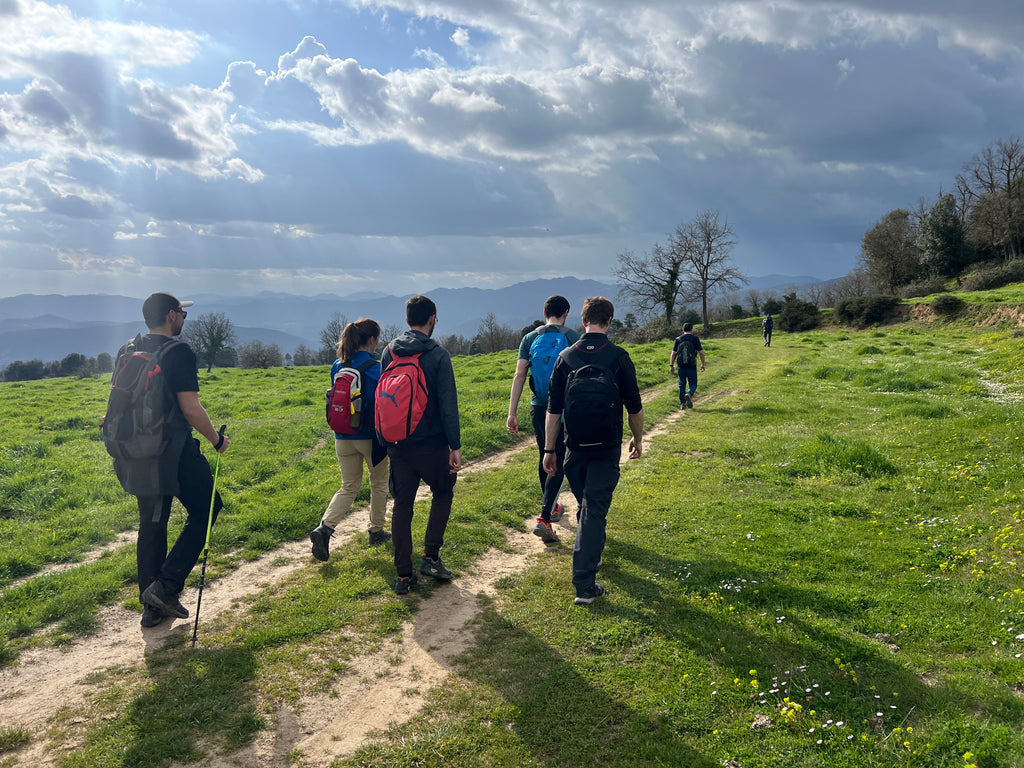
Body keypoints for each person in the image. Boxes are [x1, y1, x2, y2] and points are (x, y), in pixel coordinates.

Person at [111, 292, 230, 628]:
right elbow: (190, 408)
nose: (183, 318)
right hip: (172, 450)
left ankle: (152, 606)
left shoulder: (128, 349)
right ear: (170, 316)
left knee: (152, 522)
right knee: (207, 508)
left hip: (135, 453)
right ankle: (166, 586)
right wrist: (216, 440)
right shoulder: (178, 352)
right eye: (181, 313)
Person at [543, 296, 643, 606]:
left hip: (574, 449)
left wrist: (549, 449)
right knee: (594, 510)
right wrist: (638, 439)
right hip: (606, 446)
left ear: (584, 321)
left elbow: (553, 411)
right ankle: (584, 584)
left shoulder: (565, 358)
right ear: (609, 322)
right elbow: (635, 408)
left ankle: (591, 554)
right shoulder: (618, 357)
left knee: (588, 505)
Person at [379, 295, 461, 594]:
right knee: (443, 491)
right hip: (431, 443)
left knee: (403, 504)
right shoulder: (438, 355)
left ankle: (403, 575)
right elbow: (447, 405)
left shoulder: (388, 352)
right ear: (433, 319)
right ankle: (431, 556)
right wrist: (455, 445)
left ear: (407, 319)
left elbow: (383, 399)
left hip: (397, 442)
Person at [310, 318, 390, 561]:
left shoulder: (337, 365)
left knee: (348, 487)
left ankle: (324, 529)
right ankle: (376, 531)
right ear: (372, 340)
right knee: (378, 484)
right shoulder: (376, 368)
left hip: (342, 436)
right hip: (369, 437)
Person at [506, 295, 581, 543]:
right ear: (566, 312)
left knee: (546, 455)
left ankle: (551, 505)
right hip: (565, 408)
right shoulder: (572, 337)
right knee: (561, 455)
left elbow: (519, 375)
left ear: (544, 311)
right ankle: (546, 515)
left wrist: (512, 412)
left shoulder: (530, 338)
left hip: (539, 406)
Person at [669, 323, 706, 409]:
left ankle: (682, 404)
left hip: (681, 366)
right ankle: (689, 393)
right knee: (693, 383)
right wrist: (703, 364)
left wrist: (671, 365)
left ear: (683, 330)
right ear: (692, 330)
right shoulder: (695, 339)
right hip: (691, 365)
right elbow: (701, 352)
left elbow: (673, 353)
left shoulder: (678, 339)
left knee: (682, 384)